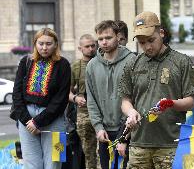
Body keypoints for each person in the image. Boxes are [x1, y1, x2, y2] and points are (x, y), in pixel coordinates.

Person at [118, 11, 194, 168]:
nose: (148, 47)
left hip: (171, 144)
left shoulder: (181, 61)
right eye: (142, 43)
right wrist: (131, 112)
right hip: (139, 144)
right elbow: (125, 101)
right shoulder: (133, 64)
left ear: (161, 33)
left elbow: (191, 102)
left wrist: (171, 103)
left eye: (151, 40)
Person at [12, 28, 71, 169]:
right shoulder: (25, 62)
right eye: (41, 43)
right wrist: (28, 121)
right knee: (31, 164)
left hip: (55, 119)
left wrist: (38, 122)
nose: (44, 47)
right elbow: (17, 94)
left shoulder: (63, 64)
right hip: (27, 119)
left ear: (56, 44)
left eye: (49, 44)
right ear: (35, 44)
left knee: (55, 163)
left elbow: (61, 99)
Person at [85, 20, 135, 169]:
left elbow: (136, 98)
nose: (104, 42)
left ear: (118, 37)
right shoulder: (92, 66)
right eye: (100, 39)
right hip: (104, 132)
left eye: (108, 38)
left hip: (128, 130)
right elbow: (91, 100)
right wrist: (98, 127)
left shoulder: (132, 60)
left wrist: (124, 135)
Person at [69, 34, 97, 169]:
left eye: (93, 45)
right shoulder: (75, 66)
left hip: (104, 113)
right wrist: (75, 98)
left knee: (104, 151)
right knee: (88, 154)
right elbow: (66, 92)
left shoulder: (103, 62)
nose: (91, 49)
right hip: (84, 114)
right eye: (87, 46)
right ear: (80, 48)